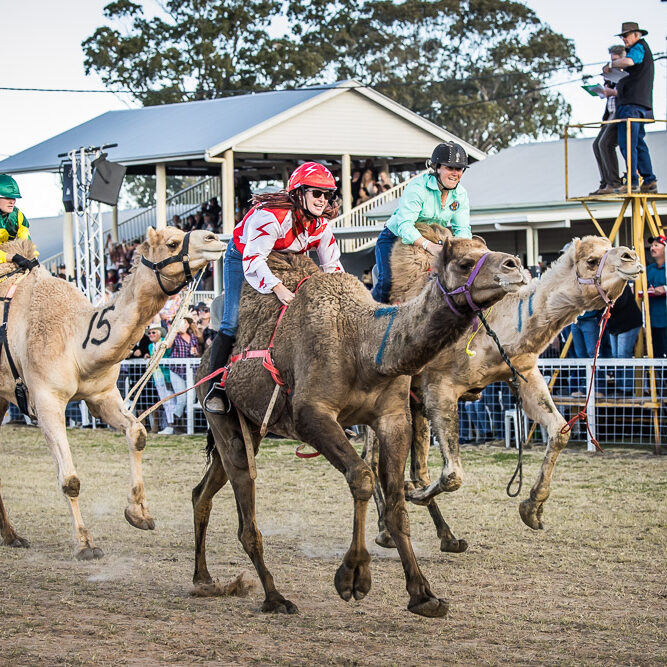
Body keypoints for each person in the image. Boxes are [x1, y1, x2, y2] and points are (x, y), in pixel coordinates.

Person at [205, 161, 344, 413]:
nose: (323, 200)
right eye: (317, 193)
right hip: (244, 257)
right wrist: (277, 288)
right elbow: (254, 260)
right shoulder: (270, 217)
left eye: (328, 194)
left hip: (284, 261)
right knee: (231, 319)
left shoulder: (322, 225)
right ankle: (216, 387)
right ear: (299, 193)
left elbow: (332, 266)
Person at [371, 142, 472, 303]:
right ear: (437, 167)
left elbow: (462, 230)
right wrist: (430, 247)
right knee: (386, 283)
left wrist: (466, 252)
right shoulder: (417, 187)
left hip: (434, 241)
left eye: (459, 169)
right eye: (449, 167)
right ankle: (369, 319)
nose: (455, 173)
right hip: (396, 237)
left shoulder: (461, 194)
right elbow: (405, 226)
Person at [604, 22, 658, 194]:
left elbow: (629, 60)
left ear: (636, 35)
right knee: (638, 143)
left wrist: (613, 65)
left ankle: (633, 182)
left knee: (627, 144)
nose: (624, 39)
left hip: (631, 105)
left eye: (626, 36)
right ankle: (649, 180)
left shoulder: (639, 47)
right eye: (622, 36)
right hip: (639, 104)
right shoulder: (641, 49)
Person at [591, 45, 626, 195]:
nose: (614, 64)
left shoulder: (629, 74)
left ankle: (613, 182)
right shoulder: (613, 77)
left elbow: (628, 92)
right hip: (610, 114)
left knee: (605, 143)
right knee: (596, 144)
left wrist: (612, 91)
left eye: (616, 61)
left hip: (621, 113)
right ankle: (605, 182)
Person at [607, 283, 642, 395]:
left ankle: (626, 388)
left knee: (622, 355)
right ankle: (619, 386)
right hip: (615, 324)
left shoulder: (620, 283)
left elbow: (621, 303)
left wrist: (602, 300)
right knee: (615, 356)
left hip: (628, 322)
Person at [0, 174, 35, 269]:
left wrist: (33, 258)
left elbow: (26, 243)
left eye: (14, 198)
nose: (12, 202)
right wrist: (12, 257)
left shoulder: (18, 216)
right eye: (7, 197)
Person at [646, 235, 666, 357]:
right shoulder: (649, 269)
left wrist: (664, 288)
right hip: (652, 321)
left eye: (656, 245)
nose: (652, 248)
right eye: (652, 245)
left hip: (665, 320)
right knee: (656, 355)